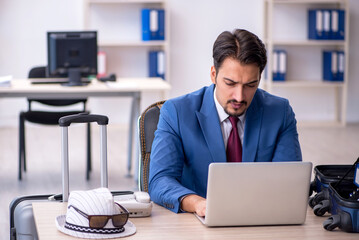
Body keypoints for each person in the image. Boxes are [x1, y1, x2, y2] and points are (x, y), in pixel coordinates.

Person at [148, 29, 302, 216]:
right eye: (230, 83)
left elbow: (289, 181)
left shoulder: (280, 112)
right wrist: (197, 203)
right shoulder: (177, 112)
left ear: (259, 79)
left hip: (260, 218)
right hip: (198, 222)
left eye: (250, 85)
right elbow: (160, 180)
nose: (239, 96)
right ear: (213, 75)